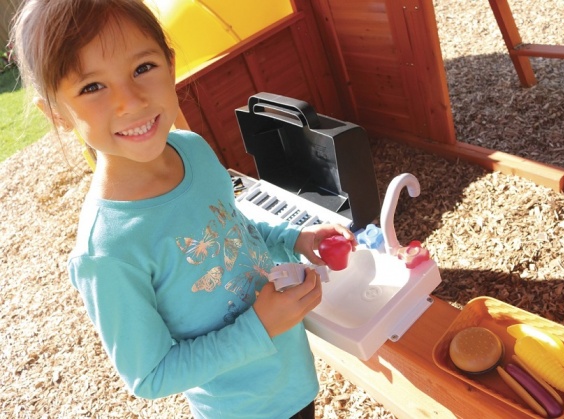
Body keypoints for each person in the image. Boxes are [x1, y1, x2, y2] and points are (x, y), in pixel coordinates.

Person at [10, 1, 356, 417]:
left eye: (142, 68)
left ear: (170, 64)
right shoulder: (108, 252)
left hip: (294, 376)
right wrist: (260, 327)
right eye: (91, 87)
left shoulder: (192, 149)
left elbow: (232, 226)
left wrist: (294, 238)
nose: (130, 101)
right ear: (56, 112)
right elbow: (151, 375)